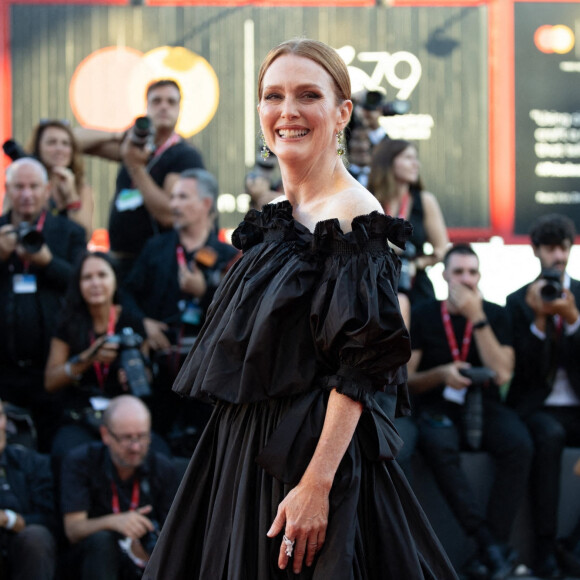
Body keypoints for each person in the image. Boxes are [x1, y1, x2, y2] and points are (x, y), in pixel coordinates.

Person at [143, 38, 457, 579]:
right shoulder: (277, 214)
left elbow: (361, 365)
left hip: (309, 459)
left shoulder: (357, 213)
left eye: (307, 94)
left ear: (343, 113)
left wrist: (316, 483)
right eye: (273, 96)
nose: (286, 111)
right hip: (242, 453)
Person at [407, 244, 533, 579]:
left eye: (473, 272)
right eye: (459, 271)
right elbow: (408, 380)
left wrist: (477, 318)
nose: (466, 279)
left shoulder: (495, 313)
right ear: (445, 274)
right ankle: (489, 545)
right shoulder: (423, 313)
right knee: (437, 444)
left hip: (485, 404)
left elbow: (503, 371)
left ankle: (490, 550)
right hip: (439, 404)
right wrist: (442, 374)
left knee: (519, 443)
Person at [123, 169, 239, 441]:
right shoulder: (155, 248)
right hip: (159, 382)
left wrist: (206, 291)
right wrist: (144, 324)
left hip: (208, 384)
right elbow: (126, 295)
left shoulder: (229, 257)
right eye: (172, 197)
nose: (172, 205)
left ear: (206, 204)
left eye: (182, 197)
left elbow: (240, 316)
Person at [505, 214, 580, 578]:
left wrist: (574, 320)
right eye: (550, 248)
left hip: (576, 406)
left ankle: (575, 544)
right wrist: (537, 324)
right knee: (548, 438)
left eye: (563, 248)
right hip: (538, 408)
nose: (558, 256)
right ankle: (545, 549)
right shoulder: (517, 301)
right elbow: (521, 374)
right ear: (536, 251)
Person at [74, 79, 205, 281]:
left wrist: (136, 167)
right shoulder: (134, 148)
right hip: (120, 260)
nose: (163, 107)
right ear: (146, 107)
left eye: (171, 102)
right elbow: (73, 141)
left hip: (156, 266)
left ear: (180, 109)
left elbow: (170, 214)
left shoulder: (184, 155)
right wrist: (120, 136)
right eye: (156, 101)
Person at [0, 158, 86, 451]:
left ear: (47, 189)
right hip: (4, 372)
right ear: (7, 190)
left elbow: (85, 284)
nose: (26, 194)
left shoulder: (68, 232)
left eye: (34, 186)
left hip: (53, 372)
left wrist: (48, 263)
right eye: (19, 187)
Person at [44, 251, 157, 462]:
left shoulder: (132, 320)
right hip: (81, 415)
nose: (95, 283)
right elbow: (50, 381)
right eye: (87, 277)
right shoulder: (68, 322)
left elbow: (147, 376)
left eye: (102, 275)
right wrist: (87, 359)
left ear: (115, 279)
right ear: (78, 284)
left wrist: (135, 376)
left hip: (124, 415)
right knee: (68, 454)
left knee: (156, 455)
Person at [60, 395, 178, 580]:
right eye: (127, 438)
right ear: (106, 435)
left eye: (142, 436)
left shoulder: (162, 467)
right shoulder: (80, 461)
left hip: (143, 559)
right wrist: (114, 522)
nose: (136, 447)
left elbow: (174, 530)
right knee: (102, 540)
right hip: (93, 560)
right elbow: (73, 530)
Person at [368, 138, 449, 307]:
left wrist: (416, 264)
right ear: (388, 162)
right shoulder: (367, 200)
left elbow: (442, 250)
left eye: (415, 158)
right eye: (408, 158)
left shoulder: (425, 201)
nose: (416, 164)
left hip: (414, 287)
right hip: (374, 286)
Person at [0, 399, 58, 580]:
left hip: (23, 551)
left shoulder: (31, 462)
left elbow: (51, 519)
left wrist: (8, 520)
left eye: (0, 416)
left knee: (37, 537)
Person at [28, 120, 94, 238]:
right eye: (51, 142)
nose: (59, 149)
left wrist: (71, 196)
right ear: (38, 147)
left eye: (65, 143)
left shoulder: (82, 190)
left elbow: (85, 237)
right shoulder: (24, 184)